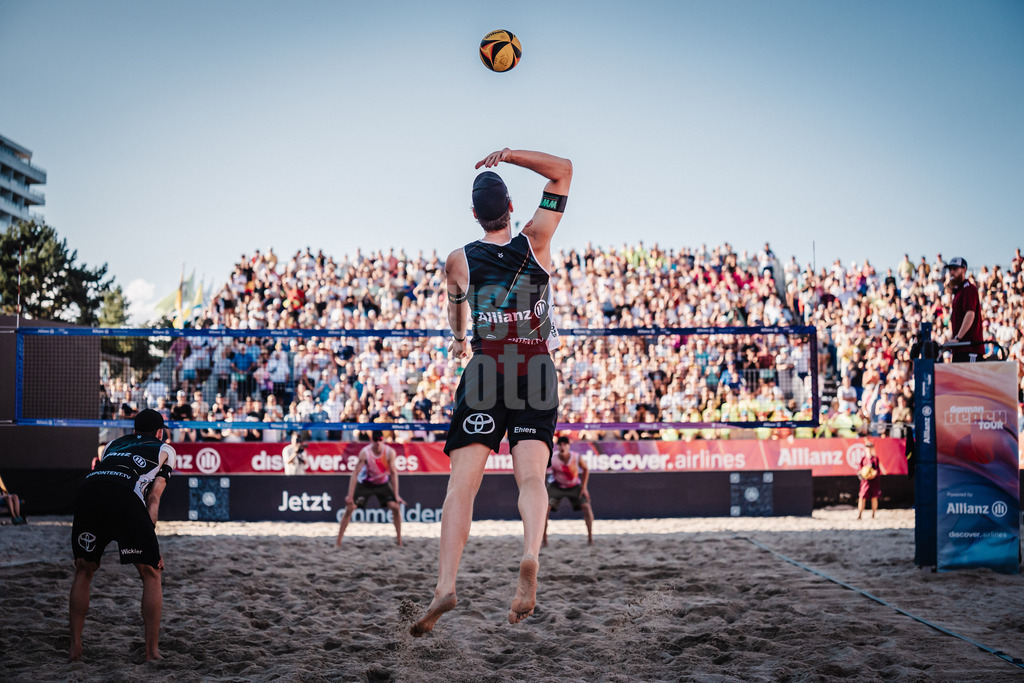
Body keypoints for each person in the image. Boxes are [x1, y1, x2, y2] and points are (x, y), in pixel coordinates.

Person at [411, 147, 572, 637]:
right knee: (530, 480)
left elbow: (457, 313)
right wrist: (507, 155)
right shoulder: (536, 240)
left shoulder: (459, 259)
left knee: (462, 486)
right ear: (510, 209)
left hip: (486, 368)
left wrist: (461, 339)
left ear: (475, 215)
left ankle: (445, 585)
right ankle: (528, 555)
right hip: (536, 365)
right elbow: (563, 171)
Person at [69, 409, 174, 662]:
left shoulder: (113, 445)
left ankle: (75, 649)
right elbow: (153, 498)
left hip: (88, 491)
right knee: (151, 572)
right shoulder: (165, 448)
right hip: (124, 494)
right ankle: (152, 653)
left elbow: (106, 471)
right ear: (160, 432)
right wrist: (152, 546)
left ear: (135, 430)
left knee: (84, 569)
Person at [336, 432, 405, 547]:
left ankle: (399, 541)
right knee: (350, 508)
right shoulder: (365, 453)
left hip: (382, 483)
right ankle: (338, 542)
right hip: (365, 483)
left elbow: (393, 473)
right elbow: (355, 474)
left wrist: (396, 495)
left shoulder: (389, 452)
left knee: (395, 507)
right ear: (371, 441)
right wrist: (350, 495)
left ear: (383, 440)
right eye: (375, 440)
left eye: (380, 440)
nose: (378, 443)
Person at [542, 436, 593, 546]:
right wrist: (543, 487)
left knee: (586, 507)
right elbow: (542, 470)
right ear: (557, 446)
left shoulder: (576, 457)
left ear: (569, 446)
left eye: (565, 444)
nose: (562, 446)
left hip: (574, 485)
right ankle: (544, 540)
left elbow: (586, 469)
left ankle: (590, 539)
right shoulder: (552, 458)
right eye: (560, 444)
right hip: (556, 486)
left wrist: (584, 488)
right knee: (544, 510)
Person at [944, 256, 984, 362]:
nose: (951, 272)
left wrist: (958, 338)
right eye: (950, 269)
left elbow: (970, 314)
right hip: (961, 348)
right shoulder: (959, 291)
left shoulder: (968, 288)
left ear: (964, 269)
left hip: (970, 348)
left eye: (955, 269)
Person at [857, 439, 881, 520]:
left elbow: (878, 470)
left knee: (874, 498)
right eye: (867, 448)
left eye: (870, 448)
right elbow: (859, 471)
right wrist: (863, 475)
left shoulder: (875, 459)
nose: (869, 450)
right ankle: (860, 514)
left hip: (874, 481)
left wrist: (874, 474)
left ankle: (873, 515)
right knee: (862, 497)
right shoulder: (863, 459)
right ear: (865, 449)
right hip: (865, 481)